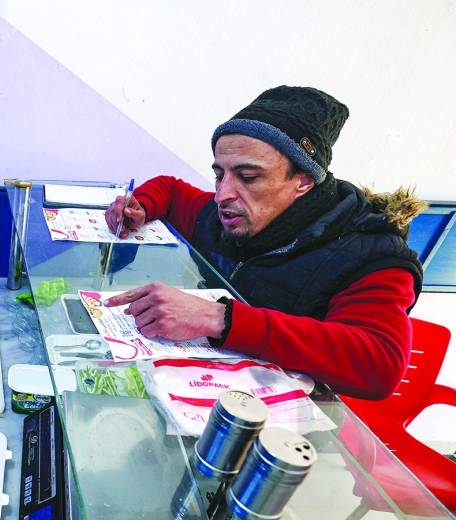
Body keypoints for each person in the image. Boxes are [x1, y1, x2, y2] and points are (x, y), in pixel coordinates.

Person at [103, 86, 423, 399]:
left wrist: (218, 318)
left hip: (286, 422)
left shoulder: (372, 254)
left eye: (248, 177)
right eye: (219, 174)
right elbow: (171, 190)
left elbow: (380, 364)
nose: (222, 194)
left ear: (304, 181)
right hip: (206, 387)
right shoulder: (226, 214)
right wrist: (141, 205)